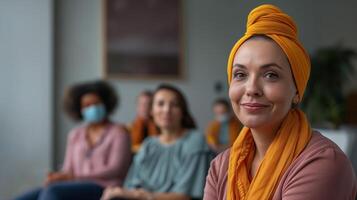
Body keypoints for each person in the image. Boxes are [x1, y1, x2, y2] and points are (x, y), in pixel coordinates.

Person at [203, 4, 357, 200]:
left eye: (270, 75)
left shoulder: (322, 163)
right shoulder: (221, 167)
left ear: (297, 91)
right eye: (240, 74)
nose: (251, 89)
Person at [14, 80, 132, 200]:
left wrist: (75, 176)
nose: (92, 108)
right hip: (74, 185)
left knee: (53, 192)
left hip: (103, 187)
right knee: (27, 197)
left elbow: (115, 170)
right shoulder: (75, 135)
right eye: (87, 106)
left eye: (96, 104)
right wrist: (58, 176)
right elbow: (68, 168)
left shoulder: (119, 132)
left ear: (105, 104)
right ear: (80, 109)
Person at [101, 84, 213, 200]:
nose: (166, 110)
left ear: (182, 111)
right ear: (152, 111)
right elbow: (131, 185)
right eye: (160, 104)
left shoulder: (195, 141)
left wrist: (142, 195)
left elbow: (184, 196)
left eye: (174, 105)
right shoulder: (149, 144)